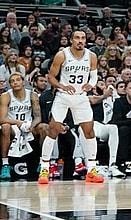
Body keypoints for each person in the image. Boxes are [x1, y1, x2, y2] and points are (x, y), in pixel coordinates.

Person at [38, 30, 105, 184]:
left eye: (83, 38)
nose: (80, 41)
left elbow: (94, 75)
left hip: (81, 97)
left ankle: (92, 170)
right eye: (77, 38)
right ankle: (44, 170)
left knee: (89, 131)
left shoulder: (91, 56)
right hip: (63, 96)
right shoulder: (62, 55)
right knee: (53, 130)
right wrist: (62, 85)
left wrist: (91, 84)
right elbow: (51, 77)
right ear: (71, 40)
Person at [0, 72, 42, 180]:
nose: (15, 82)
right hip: (13, 125)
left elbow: (38, 117)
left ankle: (43, 163)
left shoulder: (32, 95)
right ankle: (5, 164)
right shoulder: (6, 96)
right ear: (10, 84)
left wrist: (31, 126)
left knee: (44, 127)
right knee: (5, 127)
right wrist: (18, 123)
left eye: (18, 80)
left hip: (28, 125)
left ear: (23, 82)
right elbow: (2, 119)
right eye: (12, 81)